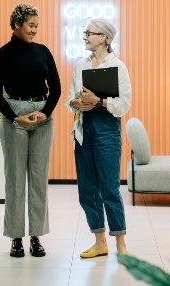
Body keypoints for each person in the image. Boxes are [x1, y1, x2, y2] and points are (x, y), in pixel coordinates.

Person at [0, 3, 61, 258]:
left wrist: (45, 112)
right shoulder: (0, 55)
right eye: (31, 25)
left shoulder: (43, 51)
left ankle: (36, 237)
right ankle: (16, 238)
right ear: (17, 24)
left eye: (37, 26)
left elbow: (56, 88)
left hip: (42, 116)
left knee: (39, 179)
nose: (34, 30)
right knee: (15, 179)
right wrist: (15, 118)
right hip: (14, 115)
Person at [65, 18, 132, 257]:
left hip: (107, 131)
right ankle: (100, 241)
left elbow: (124, 104)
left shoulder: (118, 67)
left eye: (88, 33)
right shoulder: (79, 66)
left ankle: (121, 244)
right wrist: (77, 102)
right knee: (87, 189)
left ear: (103, 37)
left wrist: (99, 101)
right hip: (84, 132)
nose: (85, 36)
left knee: (109, 189)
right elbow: (69, 100)